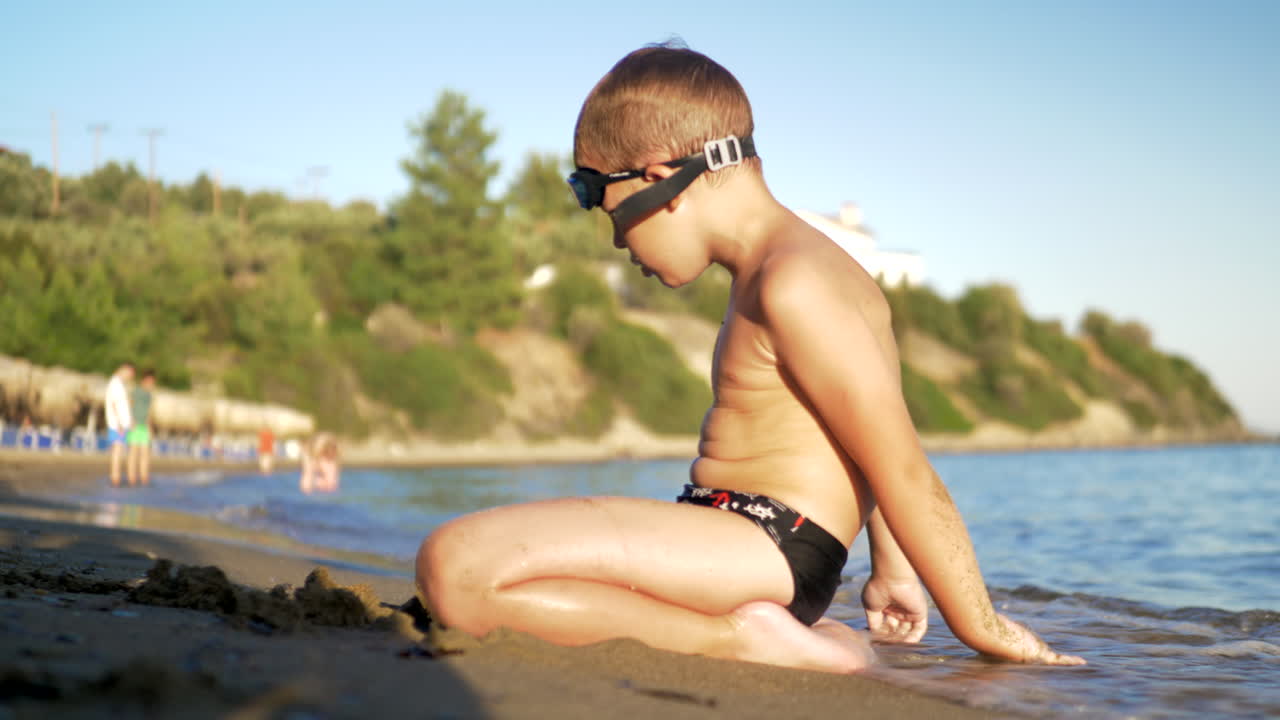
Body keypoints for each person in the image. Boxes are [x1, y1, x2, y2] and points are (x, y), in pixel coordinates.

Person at [415, 44, 1084, 673]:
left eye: (599, 196)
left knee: (457, 568)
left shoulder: (797, 281)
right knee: (480, 569)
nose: (613, 233)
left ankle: (752, 642)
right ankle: (795, 637)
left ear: (659, 177)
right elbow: (862, 423)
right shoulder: (790, 271)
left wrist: (984, 628)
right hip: (740, 538)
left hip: (767, 543)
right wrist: (892, 569)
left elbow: (901, 464)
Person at [104, 362, 134, 487]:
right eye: (130, 374)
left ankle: (116, 477)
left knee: (119, 450)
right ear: (123, 369)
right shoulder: (115, 384)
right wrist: (120, 423)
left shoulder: (118, 384)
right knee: (117, 450)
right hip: (117, 425)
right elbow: (115, 404)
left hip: (120, 424)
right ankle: (115, 477)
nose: (130, 377)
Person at [126, 369, 156, 487]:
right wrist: (130, 420)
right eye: (151, 382)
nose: (152, 385)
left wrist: (150, 427)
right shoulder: (136, 391)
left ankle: (144, 478)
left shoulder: (149, 395)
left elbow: (149, 412)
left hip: (144, 426)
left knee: (145, 453)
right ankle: (131, 478)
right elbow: (129, 404)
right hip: (134, 425)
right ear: (145, 380)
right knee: (133, 453)